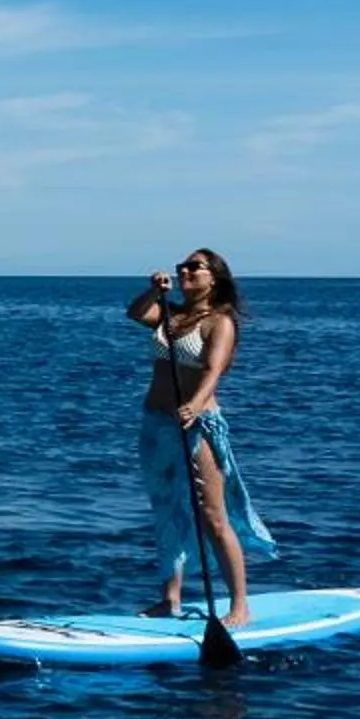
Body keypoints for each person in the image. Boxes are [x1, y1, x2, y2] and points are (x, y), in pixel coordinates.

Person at [126, 249, 275, 623]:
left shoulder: (219, 322)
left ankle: (240, 606)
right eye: (182, 267)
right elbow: (137, 314)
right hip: (157, 421)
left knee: (212, 515)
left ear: (214, 277)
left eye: (195, 267)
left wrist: (194, 404)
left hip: (196, 424)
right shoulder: (171, 313)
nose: (185, 271)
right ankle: (170, 599)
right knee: (167, 510)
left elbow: (213, 370)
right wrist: (152, 291)